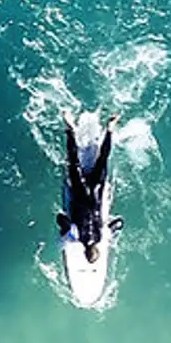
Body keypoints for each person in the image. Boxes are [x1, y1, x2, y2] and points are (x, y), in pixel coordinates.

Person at [56, 110, 124, 264]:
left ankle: (110, 128)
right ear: (84, 251)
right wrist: (63, 229)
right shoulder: (75, 235)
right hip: (79, 191)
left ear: (97, 249)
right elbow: (61, 218)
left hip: (95, 190)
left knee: (103, 159)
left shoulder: (102, 236)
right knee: (73, 161)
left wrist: (115, 228)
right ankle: (69, 128)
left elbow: (119, 222)